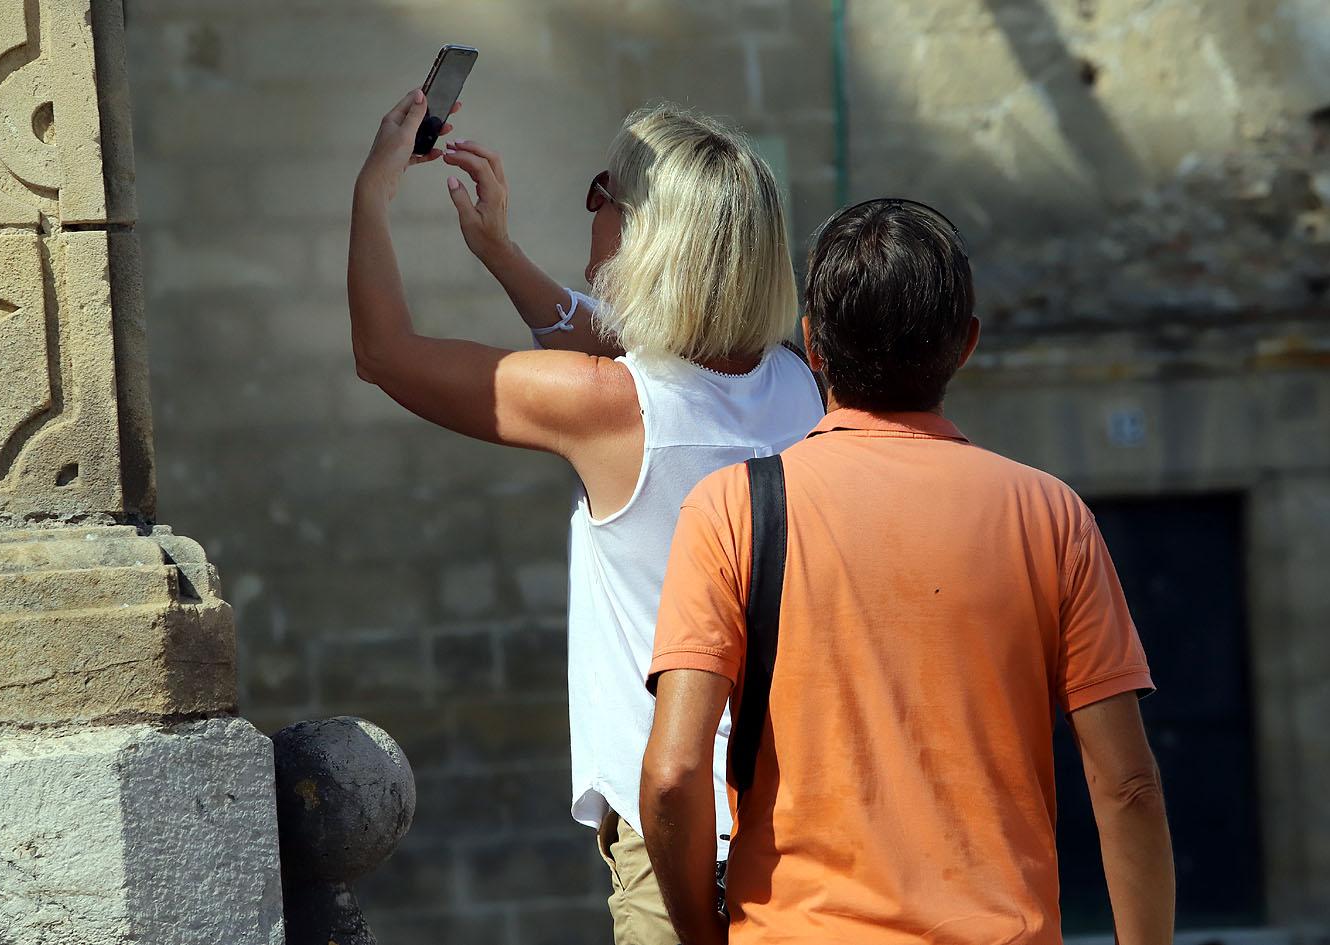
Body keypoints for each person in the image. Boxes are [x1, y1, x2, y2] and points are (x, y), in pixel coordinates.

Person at [348, 89, 823, 944]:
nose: (592, 211)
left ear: (644, 234)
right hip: (807, 823)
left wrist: (371, 196)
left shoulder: (612, 409)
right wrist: (500, 253)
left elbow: (385, 353)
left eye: (601, 191)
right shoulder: (797, 384)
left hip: (678, 848)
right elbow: (627, 343)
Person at [640, 198, 1175, 945]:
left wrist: (705, 935)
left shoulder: (732, 509)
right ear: (966, 346)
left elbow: (672, 774)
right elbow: (1128, 784)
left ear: (812, 348)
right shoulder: (1052, 516)